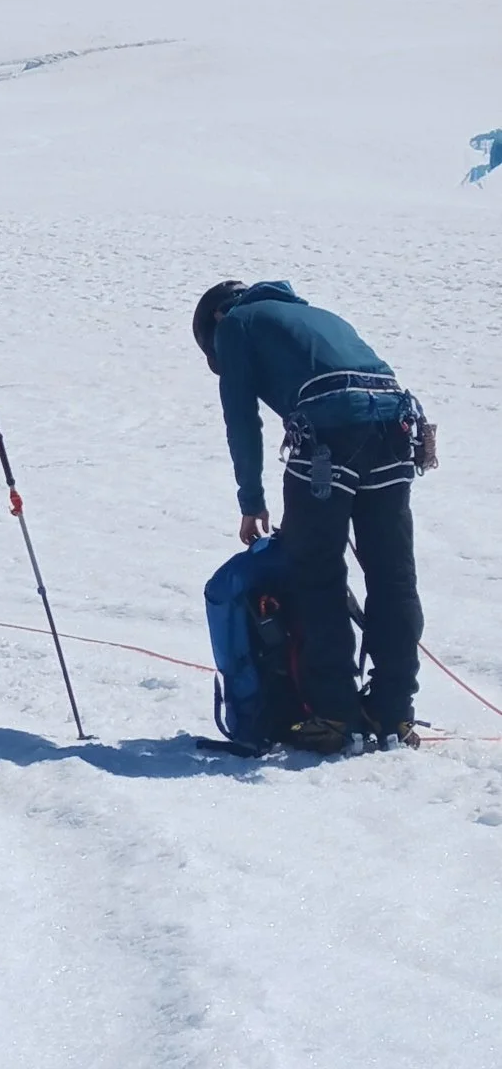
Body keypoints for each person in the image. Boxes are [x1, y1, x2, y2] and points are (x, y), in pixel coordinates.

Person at [194, 280, 425, 749]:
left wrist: (250, 500)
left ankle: (335, 714)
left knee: (315, 569)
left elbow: (241, 417)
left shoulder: (236, 322)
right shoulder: (317, 315)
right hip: (396, 429)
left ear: (217, 319)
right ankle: (393, 712)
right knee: (391, 574)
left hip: (328, 435)